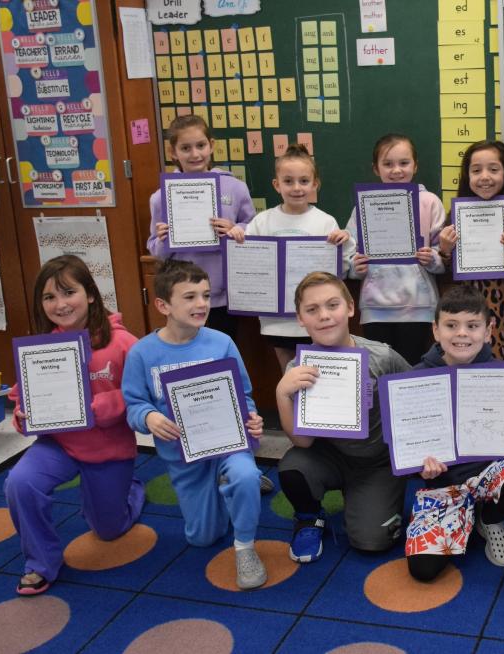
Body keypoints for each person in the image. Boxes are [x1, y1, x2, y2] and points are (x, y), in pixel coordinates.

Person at [122, 259, 267, 590]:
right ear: (163, 305)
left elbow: (243, 394)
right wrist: (149, 417)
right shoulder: (142, 354)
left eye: (205, 295)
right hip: (183, 456)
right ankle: (232, 486)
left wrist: (252, 418)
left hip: (228, 444)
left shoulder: (221, 343)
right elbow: (133, 404)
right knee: (202, 538)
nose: (201, 304)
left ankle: (245, 543)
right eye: (189, 297)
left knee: (243, 475)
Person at [5, 256, 144, 595]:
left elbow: (141, 397)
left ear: (91, 294)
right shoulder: (41, 347)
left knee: (108, 531)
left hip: (108, 449)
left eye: (69, 292)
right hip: (60, 445)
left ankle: (132, 490)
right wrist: (24, 415)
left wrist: (95, 407)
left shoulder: (124, 343)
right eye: (49, 297)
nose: (60, 304)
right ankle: (40, 563)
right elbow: (24, 398)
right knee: (19, 483)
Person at [405, 285, 504, 582]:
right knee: (423, 571)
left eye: (472, 326)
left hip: (490, 475)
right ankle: (461, 516)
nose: (462, 334)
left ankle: (490, 518)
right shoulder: (416, 379)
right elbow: (408, 443)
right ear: (435, 330)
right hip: (445, 483)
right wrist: (422, 468)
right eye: (451, 325)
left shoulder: (501, 373)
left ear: (488, 331)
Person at [275, 272, 411, 562]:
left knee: (372, 541)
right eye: (312, 310)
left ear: (350, 308)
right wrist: (281, 394)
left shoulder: (382, 357)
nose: (324, 316)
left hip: (377, 462)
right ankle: (309, 518)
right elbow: (302, 441)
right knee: (292, 468)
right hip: (330, 457)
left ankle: (371, 501)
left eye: (332, 305)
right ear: (300, 318)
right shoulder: (299, 369)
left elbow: (417, 396)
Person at [227, 143, 354, 372]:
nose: (296, 188)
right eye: (288, 181)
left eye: (304, 181)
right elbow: (246, 259)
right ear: (277, 185)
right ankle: (290, 410)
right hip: (277, 321)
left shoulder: (326, 222)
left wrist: (344, 242)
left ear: (315, 184)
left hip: (316, 318)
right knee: (289, 376)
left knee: (321, 374)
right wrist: (237, 235)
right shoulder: (262, 221)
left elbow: (341, 270)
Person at [147, 115, 254, 340]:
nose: (195, 154)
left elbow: (252, 229)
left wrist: (236, 230)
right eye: (186, 148)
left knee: (221, 351)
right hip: (181, 295)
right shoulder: (160, 198)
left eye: (201, 145)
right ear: (173, 152)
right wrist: (163, 239)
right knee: (186, 353)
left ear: (211, 145)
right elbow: (155, 248)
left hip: (222, 295)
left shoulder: (235, 188)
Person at [348, 134, 446, 364]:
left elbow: (443, 253)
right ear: (376, 168)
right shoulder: (364, 204)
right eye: (388, 164)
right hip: (376, 306)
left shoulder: (430, 201)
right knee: (380, 369)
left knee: (411, 369)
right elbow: (350, 249)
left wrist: (432, 258)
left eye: (404, 163)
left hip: (418, 304)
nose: (396, 170)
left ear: (415, 165)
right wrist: (355, 266)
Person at [438, 140, 504, 360]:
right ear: (467, 175)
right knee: (467, 360)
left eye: (494, 169)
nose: (485, 177)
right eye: (476, 170)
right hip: (466, 307)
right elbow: (446, 271)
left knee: (500, 362)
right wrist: (445, 250)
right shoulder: (455, 216)